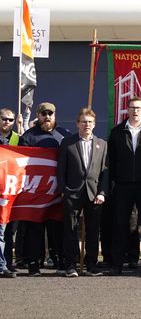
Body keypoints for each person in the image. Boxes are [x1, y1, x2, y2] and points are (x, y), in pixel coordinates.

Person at [108, 97, 141, 276]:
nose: (135, 111)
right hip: (123, 185)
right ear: (127, 110)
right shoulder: (117, 132)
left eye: (138, 108)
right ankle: (117, 265)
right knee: (120, 225)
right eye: (132, 108)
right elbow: (111, 160)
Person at [19, 102, 71, 277]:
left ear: (55, 115)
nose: (47, 116)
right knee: (35, 229)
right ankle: (34, 264)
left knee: (59, 228)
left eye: (50, 113)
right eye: (44, 113)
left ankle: (62, 263)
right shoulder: (28, 137)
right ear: (38, 115)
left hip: (58, 190)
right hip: (36, 192)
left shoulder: (65, 135)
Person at [57, 108, 109, 277]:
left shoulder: (102, 144)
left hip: (94, 194)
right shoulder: (68, 143)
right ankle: (70, 265)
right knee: (70, 230)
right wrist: (63, 190)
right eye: (84, 122)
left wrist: (102, 192)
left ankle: (91, 264)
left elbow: (105, 172)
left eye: (90, 122)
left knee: (93, 231)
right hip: (72, 193)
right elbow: (61, 169)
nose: (87, 125)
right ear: (77, 124)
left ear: (94, 125)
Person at [0, 108, 19, 278]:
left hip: (10, 191)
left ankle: (6, 262)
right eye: (4, 118)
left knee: (8, 230)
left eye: (10, 119)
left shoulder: (18, 139)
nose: (7, 122)